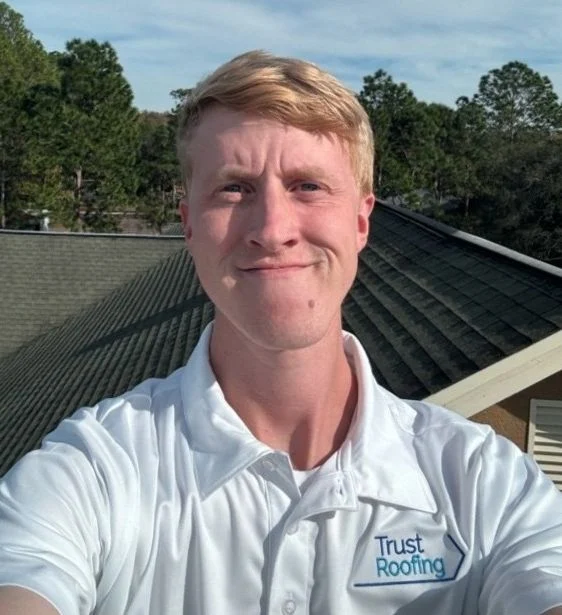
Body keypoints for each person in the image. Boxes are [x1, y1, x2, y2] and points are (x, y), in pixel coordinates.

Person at [0, 50, 561, 615]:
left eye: (308, 185)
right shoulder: (95, 469)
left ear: (361, 220)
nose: (272, 230)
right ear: (189, 224)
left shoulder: (484, 484)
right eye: (234, 188)